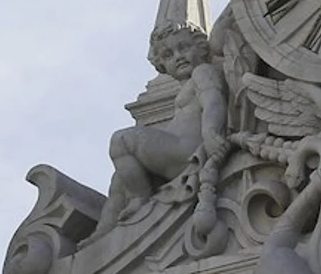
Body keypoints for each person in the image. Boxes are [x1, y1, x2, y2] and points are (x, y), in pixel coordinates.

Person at [99, 21, 230, 227]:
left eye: (184, 47)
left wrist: (211, 131)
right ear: (161, 64)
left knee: (121, 141)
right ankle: (103, 232)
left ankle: (140, 199)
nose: (178, 56)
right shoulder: (187, 86)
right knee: (120, 179)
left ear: (201, 48)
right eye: (169, 55)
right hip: (177, 152)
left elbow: (213, 100)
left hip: (186, 152)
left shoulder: (203, 72)